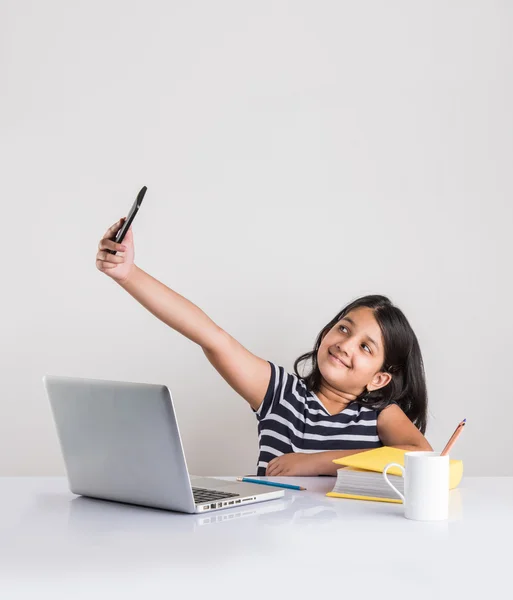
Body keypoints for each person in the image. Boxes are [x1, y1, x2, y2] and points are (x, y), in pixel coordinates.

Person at [96, 218, 433, 477]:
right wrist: (128, 274)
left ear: (379, 380)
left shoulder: (379, 415)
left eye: (366, 347)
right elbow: (212, 337)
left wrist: (315, 463)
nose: (346, 344)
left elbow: (420, 456)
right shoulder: (281, 394)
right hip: (268, 544)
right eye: (344, 328)